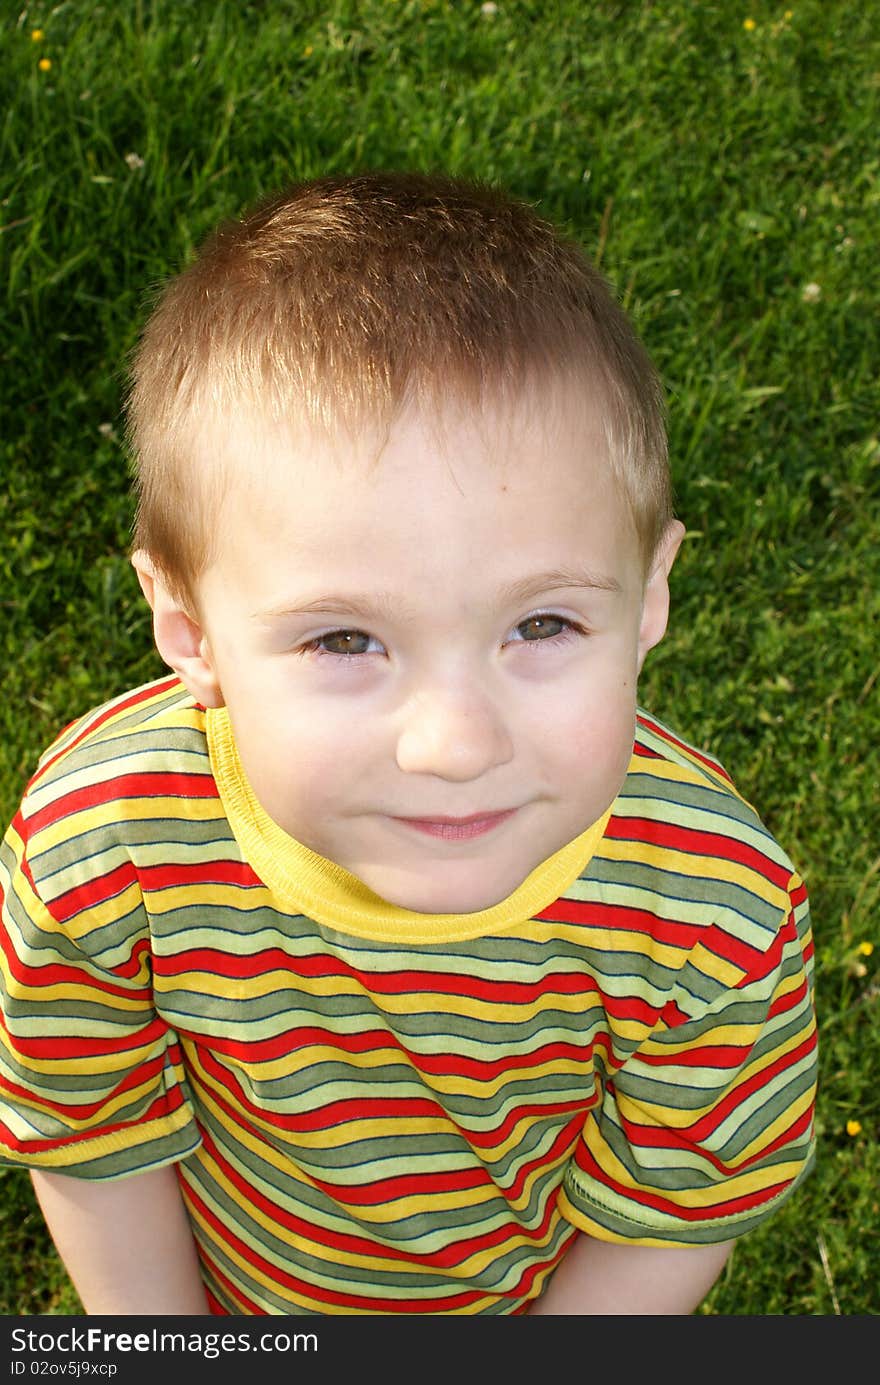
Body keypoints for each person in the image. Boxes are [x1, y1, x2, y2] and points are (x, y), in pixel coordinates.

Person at [0, 172, 817, 1317]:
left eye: (540, 624)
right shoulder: (103, 840)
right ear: (191, 633)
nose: (453, 743)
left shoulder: (712, 904)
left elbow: (679, 1200)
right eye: (345, 637)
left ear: (646, 603)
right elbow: (92, 1124)